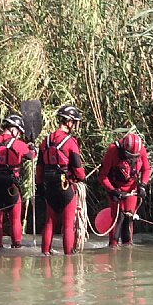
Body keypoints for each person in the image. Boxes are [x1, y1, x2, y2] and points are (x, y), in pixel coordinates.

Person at [0, 114, 36, 248]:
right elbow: (31, 156)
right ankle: (16, 247)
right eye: (19, 132)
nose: (20, 135)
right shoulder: (19, 145)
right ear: (13, 129)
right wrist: (33, 148)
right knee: (15, 219)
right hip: (11, 187)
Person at [36, 105, 86, 255]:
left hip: (49, 185)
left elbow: (39, 166)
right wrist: (81, 178)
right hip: (65, 186)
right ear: (69, 122)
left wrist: (39, 186)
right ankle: (68, 259)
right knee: (68, 224)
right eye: (74, 122)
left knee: (50, 221)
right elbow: (77, 167)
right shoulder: (71, 142)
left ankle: (45, 253)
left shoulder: (45, 141)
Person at [97, 133, 151, 246]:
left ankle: (128, 247)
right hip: (115, 188)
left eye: (135, 157)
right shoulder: (112, 151)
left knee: (128, 218)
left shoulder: (141, 150)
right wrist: (112, 190)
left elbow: (146, 169)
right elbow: (102, 176)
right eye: (129, 156)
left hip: (131, 189)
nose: (132, 159)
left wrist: (142, 185)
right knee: (118, 218)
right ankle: (113, 245)